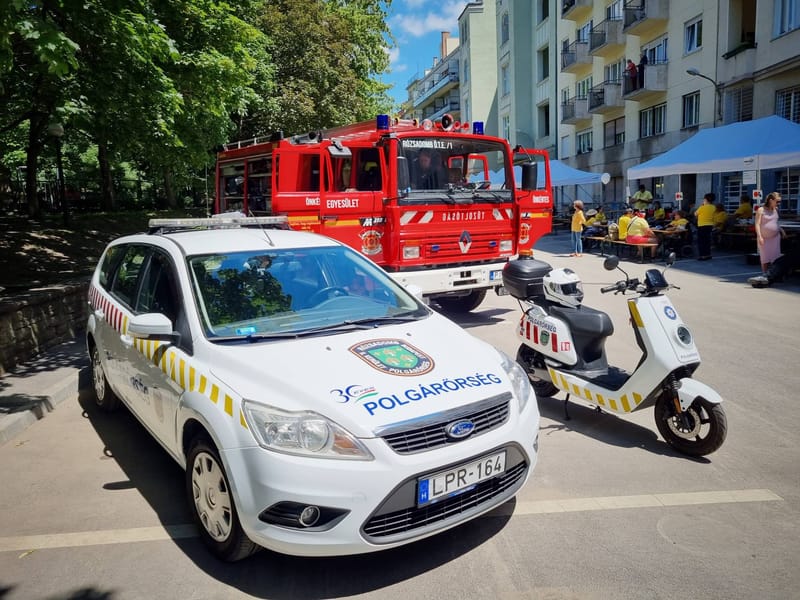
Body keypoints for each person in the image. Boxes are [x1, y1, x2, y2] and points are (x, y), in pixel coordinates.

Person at [754, 192, 787, 274]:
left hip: (775, 237)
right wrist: (759, 236)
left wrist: (782, 231)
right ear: (771, 200)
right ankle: (765, 273)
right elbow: (757, 224)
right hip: (764, 238)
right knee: (765, 257)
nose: (779, 203)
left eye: (779, 201)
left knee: (775, 256)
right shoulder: (761, 210)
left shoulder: (776, 209)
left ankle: (774, 273)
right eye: (777, 201)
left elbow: (775, 223)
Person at [694, 193, 716, 260]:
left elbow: (695, 214)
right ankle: (708, 254)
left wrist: (702, 206)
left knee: (701, 241)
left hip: (702, 225)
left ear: (706, 199)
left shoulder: (702, 207)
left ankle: (702, 255)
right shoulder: (714, 207)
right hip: (710, 225)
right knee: (707, 240)